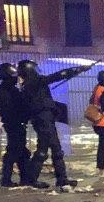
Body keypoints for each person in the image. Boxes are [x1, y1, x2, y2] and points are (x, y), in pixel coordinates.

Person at [19, 59, 90, 189]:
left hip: (45, 119)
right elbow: (56, 76)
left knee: (54, 149)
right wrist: (76, 70)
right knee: (44, 150)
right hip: (43, 119)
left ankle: (61, 178)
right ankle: (32, 179)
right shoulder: (33, 82)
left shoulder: (30, 84)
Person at [0, 62, 32, 187]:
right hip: (13, 123)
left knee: (21, 151)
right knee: (14, 151)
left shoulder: (12, 89)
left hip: (17, 122)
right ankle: (6, 179)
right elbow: (11, 107)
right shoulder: (3, 90)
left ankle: (24, 178)